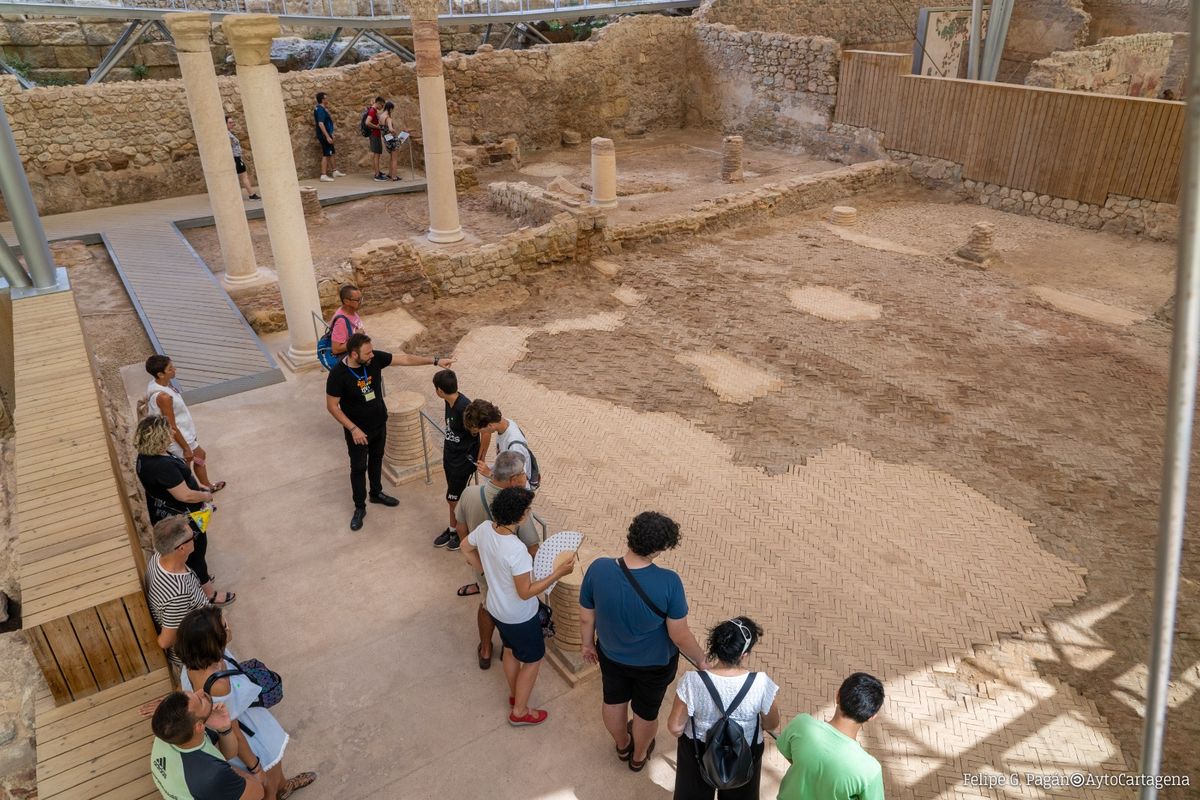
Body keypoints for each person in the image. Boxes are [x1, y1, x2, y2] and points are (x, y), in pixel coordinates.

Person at [580, 512, 708, 773]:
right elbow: (679, 634)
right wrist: (702, 660)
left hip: (611, 655)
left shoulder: (599, 568)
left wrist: (587, 645)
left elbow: (586, 616)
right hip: (655, 665)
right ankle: (638, 757)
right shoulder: (669, 582)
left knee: (613, 702)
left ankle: (622, 745)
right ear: (660, 548)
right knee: (646, 712)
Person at [461, 487, 575, 727]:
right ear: (520, 516)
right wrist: (558, 573)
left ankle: (516, 695)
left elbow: (464, 547)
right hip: (519, 616)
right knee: (533, 659)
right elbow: (526, 593)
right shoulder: (516, 550)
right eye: (528, 509)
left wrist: (484, 569)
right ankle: (520, 711)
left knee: (511, 649)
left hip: (495, 608)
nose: (529, 512)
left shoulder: (484, 529)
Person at [176, 606, 317, 800]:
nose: (229, 627)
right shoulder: (217, 685)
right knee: (268, 779)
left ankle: (284, 787)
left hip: (244, 720)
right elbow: (232, 728)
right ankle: (277, 791)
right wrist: (255, 766)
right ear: (212, 642)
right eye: (224, 626)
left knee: (274, 772)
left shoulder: (194, 662)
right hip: (248, 733)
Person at [325, 333, 452, 531]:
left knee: (376, 459)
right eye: (367, 353)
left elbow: (405, 359)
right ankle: (359, 507)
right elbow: (332, 406)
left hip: (379, 423)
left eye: (371, 351)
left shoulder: (373, 359)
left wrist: (435, 361)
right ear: (353, 354)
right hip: (358, 432)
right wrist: (353, 428)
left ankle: (376, 493)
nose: (372, 355)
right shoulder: (337, 374)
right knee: (358, 468)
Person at [667, 617, 781, 799]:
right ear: (744, 655)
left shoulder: (692, 681)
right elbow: (771, 724)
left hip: (698, 749)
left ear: (716, 648)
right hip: (745, 749)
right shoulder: (761, 684)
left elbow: (675, 728)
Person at [453, 450, 540, 668]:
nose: (525, 478)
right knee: (506, 613)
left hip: (483, 570)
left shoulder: (470, 493)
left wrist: (477, 563)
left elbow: (460, 526)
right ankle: (509, 650)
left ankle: (485, 649)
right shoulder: (517, 505)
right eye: (522, 474)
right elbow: (532, 547)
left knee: (486, 604)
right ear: (513, 480)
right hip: (510, 576)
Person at [136, 415, 233, 607]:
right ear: (159, 437)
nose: (173, 432)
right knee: (195, 550)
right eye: (169, 430)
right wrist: (205, 495)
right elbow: (185, 496)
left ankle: (198, 576)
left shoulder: (146, 457)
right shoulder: (161, 466)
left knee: (192, 554)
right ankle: (209, 593)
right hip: (182, 517)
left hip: (166, 514)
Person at [775, 673, 886, 800]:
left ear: (838, 695)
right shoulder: (870, 770)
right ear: (872, 716)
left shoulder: (801, 724)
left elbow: (789, 753)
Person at [150, 689, 265, 800]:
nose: (201, 691)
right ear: (199, 727)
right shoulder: (212, 774)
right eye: (200, 700)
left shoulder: (170, 733)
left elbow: (227, 755)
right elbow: (258, 793)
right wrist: (255, 774)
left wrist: (224, 729)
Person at [146, 354, 224, 493]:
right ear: (160, 374)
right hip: (178, 439)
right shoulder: (164, 397)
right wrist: (186, 448)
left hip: (185, 434)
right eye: (170, 368)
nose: (174, 369)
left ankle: (206, 487)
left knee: (199, 457)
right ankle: (193, 497)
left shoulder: (157, 384)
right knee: (185, 470)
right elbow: (171, 425)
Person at [145, 516, 218, 665]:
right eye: (192, 536)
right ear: (182, 548)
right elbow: (165, 641)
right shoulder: (178, 594)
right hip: (198, 655)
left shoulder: (159, 557)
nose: (195, 538)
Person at [432, 369, 488, 551]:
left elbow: (486, 430)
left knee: (453, 498)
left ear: (439, 390)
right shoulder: (449, 401)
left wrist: (480, 457)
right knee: (452, 497)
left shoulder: (465, 408)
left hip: (462, 462)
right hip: (450, 455)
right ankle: (452, 529)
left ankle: (460, 531)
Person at [463, 399, 532, 483]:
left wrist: (489, 473)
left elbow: (519, 482)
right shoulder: (506, 424)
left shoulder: (514, 445)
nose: (482, 433)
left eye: (480, 431)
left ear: (490, 425)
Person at [313, 91, 345, 182]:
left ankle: (334, 171)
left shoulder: (321, 109)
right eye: (326, 98)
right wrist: (327, 136)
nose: (328, 100)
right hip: (324, 135)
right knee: (326, 154)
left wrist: (331, 133)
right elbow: (320, 123)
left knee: (331, 152)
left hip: (327, 134)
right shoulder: (320, 110)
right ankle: (323, 175)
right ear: (323, 100)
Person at [226, 116, 259, 200]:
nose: (232, 124)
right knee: (244, 177)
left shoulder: (229, 133)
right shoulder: (227, 134)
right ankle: (251, 194)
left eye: (232, 122)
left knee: (241, 177)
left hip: (237, 158)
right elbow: (228, 148)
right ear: (225, 124)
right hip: (235, 158)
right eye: (230, 122)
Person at [329, 284, 365, 357]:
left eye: (361, 298)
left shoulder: (351, 311)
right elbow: (336, 349)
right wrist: (357, 337)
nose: (361, 302)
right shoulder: (341, 321)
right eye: (358, 300)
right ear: (346, 301)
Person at [380, 100, 408, 182]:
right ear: (391, 109)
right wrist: (394, 131)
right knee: (394, 159)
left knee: (391, 158)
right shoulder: (388, 118)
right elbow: (391, 129)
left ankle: (390, 174)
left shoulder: (381, 116)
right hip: (392, 140)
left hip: (386, 139)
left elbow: (382, 129)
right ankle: (394, 177)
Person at [366, 96, 386, 181]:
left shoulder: (373, 110)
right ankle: (377, 175)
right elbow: (367, 122)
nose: (382, 108)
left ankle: (378, 171)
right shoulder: (372, 110)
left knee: (377, 154)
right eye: (382, 105)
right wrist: (377, 127)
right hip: (374, 134)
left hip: (375, 134)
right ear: (378, 103)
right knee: (376, 155)